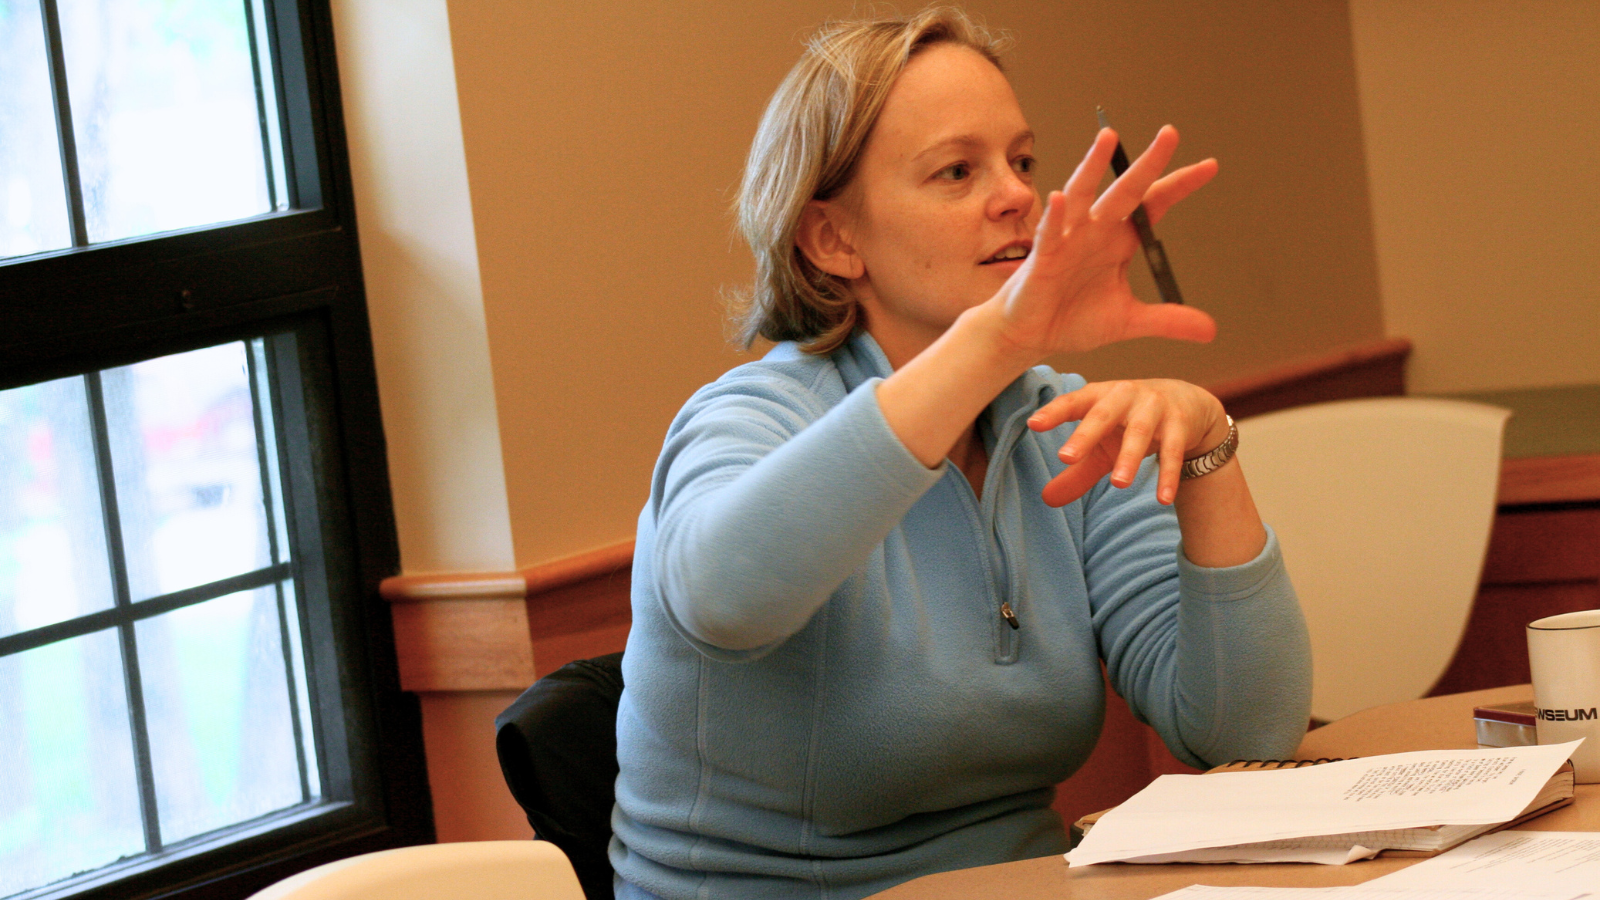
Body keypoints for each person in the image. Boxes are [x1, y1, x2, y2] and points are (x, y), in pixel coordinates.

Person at [609, 8, 1312, 899]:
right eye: (956, 171)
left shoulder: (1055, 420)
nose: (1021, 195)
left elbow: (1245, 735)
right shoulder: (747, 418)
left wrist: (1207, 442)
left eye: (1022, 161)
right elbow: (722, 597)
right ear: (833, 240)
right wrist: (1000, 341)